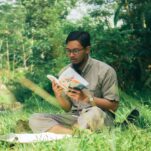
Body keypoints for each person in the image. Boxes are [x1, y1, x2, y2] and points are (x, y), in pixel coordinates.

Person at [29, 31, 119, 134]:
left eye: (76, 51)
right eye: (68, 51)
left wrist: (87, 98)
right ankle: (74, 133)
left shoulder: (105, 71)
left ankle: (66, 132)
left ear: (87, 49)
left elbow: (114, 106)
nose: (71, 55)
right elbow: (67, 108)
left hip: (99, 117)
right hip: (75, 118)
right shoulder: (64, 72)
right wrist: (58, 95)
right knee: (35, 118)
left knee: (94, 112)